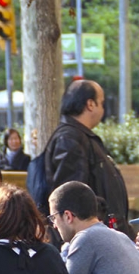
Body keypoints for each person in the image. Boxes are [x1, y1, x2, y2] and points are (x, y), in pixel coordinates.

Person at [44, 79, 133, 239]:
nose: (103, 108)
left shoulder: (80, 136)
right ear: (90, 104)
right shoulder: (69, 139)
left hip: (100, 233)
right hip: (91, 237)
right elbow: (71, 195)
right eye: (102, 103)